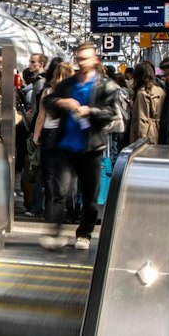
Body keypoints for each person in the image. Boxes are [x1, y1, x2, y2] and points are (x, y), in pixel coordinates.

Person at [36, 42, 127, 251]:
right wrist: (61, 103)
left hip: (91, 148)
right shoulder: (68, 84)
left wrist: (90, 111)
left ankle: (84, 233)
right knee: (60, 191)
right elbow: (49, 101)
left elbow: (111, 113)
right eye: (78, 58)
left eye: (85, 58)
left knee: (90, 195)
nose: (81, 62)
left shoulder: (107, 86)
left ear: (95, 60)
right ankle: (55, 232)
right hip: (66, 146)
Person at [127, 60, 165, 144]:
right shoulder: (160, 90)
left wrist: (141, 142)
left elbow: (142, 119)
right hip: (157, 131)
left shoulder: (142, 93)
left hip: (146, 135)